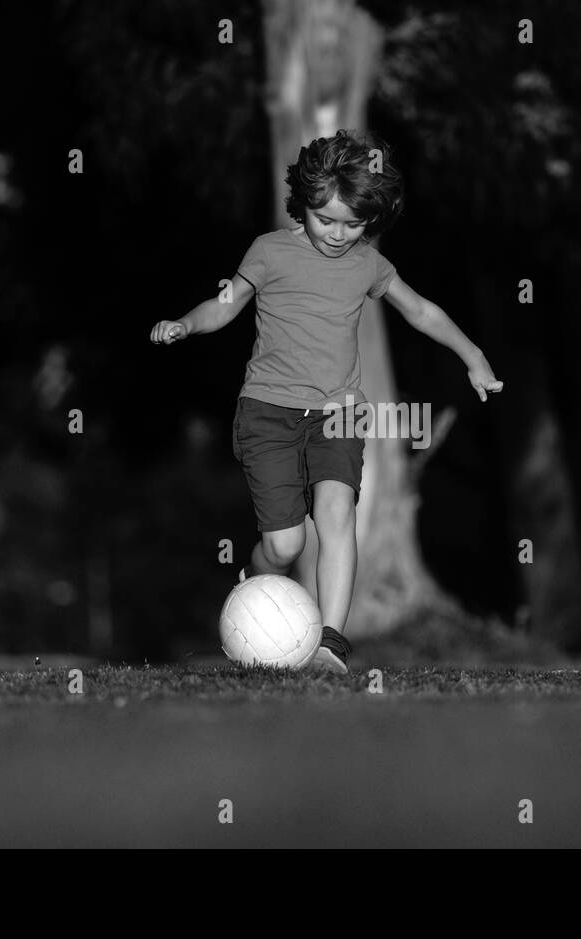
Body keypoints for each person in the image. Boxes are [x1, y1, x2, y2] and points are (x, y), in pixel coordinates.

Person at [152, 129, 502, 673]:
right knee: (286, 545)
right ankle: (257, 578)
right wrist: (185, 324)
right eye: (325, 219)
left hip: (340, 414)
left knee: (337, 514)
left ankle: (330, 645)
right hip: (268, 412)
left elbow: (421, 311)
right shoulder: (269, 251)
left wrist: (473, 354)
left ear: (372, 219)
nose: (338, 233)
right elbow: (224, 305)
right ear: (303, 204)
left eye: (353, 223)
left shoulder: (368, 264)